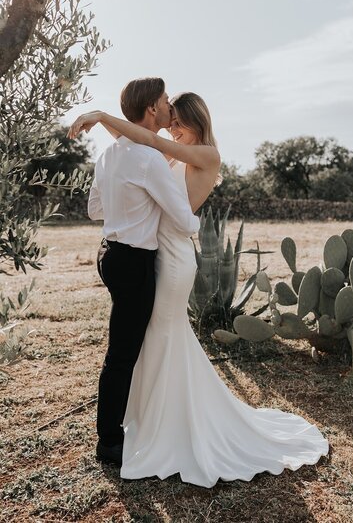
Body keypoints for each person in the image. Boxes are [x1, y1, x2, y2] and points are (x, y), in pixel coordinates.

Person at [68, 91, 329, 488]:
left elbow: (148, 141)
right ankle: (156, 417)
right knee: (157, 338)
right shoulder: (174, 155)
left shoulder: (205, 155)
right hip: (154, 254)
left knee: (162, 333)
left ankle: (171, 422)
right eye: (170, 120)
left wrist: (102, 116)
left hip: (173, 257)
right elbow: (143, 151)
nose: (171, 128)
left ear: (194, 122)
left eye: (178, 122)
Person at [75, 78, 200, 467]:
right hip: (134, 263)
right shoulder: (148, 158)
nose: (168, 106)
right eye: (164, 100)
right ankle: (110, 441)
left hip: (108, 254)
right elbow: (184, 221)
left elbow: (96, 211)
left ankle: (136, 420)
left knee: (125, 346)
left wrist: (127, 207)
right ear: (151, 109)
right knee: (122, 353)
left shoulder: (109, 155)